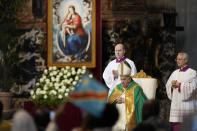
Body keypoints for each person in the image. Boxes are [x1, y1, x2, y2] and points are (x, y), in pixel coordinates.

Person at [108, 61, 147, 131]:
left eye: (124, 79)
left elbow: (143, 104)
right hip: (117, 122)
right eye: (121, 79)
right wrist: (115, 100)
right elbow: (109, 103)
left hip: (130, 122)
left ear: (129, 79)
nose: (122, 81)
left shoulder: (136, 89)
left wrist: (125, 100)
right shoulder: (117, 88)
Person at [166, 52, 197, 131]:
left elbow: (193, 88)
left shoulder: (192, 73)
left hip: (186, 107)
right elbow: (168, 85)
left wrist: (179, 85)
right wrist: (172, 87)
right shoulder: (174, 73)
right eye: (177, 59)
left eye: (180, 59)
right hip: (176, 106)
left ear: (186, 60)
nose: (177, 61)